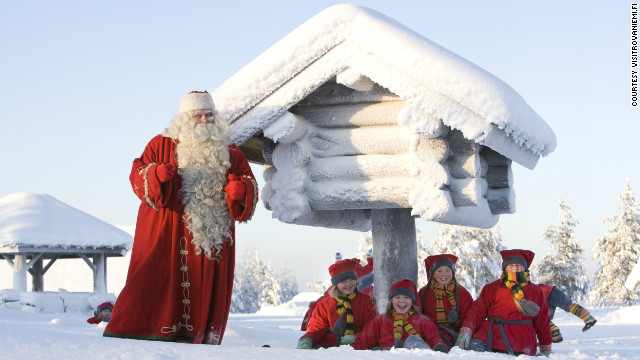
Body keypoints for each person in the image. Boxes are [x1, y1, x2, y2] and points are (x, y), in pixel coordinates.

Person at [104, 91, 258, 344]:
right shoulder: (160, 144)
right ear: (185, 119)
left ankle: (197, 337)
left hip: (212, 234)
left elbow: (249, 182)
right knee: (154, 279)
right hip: (167, 231)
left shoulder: (230, 151)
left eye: (209, 115)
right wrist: (155, 175)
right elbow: (137, 174)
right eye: (198, 116)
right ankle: (138, 334)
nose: (205, 121)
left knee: (203, 287)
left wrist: (241, 190)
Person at [455, 249, 552, 357]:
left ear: (525, 268)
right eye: (511, 267)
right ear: (505, 268)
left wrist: (545, 345)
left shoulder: (535, 291)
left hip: (521, 339)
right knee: (473, 351)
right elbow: (476, 312)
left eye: (518, 266)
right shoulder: (492, 288)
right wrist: (466, 330)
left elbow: (542, 321)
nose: (515, 270)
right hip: (491, 334)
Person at [350, 279, 449, 352]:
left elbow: (434, 338)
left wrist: (439, 347)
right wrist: (349, 350)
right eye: (397, 297)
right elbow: (365, 339)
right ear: (391, 301)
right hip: (389, 355)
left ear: (412, 301)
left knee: (412, 339)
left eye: (406, 297)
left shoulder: (422, 320)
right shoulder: (381, 320)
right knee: (382, 351)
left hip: (414, 354)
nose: (402, 301)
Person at [297, 258, 377, 349]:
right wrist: (307, 339)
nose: (349, 284)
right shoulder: (325, 305)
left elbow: (372, 329)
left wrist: (355, 338)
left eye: (352, 279)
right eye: (343, 281)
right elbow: (316, 329)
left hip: (359, 348)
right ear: (335, 284)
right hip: (331, 349)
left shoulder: (367, 302)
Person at [417, 254, 474, 348]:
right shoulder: (424, 292)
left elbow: (468, 316)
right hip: (430, 333)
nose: (443, 274)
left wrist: (465, 332)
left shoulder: (461, 292)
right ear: (433, 273)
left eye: (447, 270)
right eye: (439, 271)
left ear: (452, 273)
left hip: (454, 334)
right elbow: (419, 315)